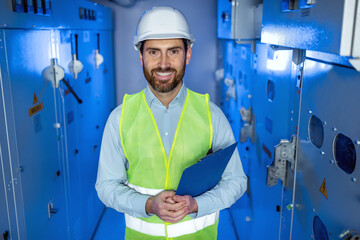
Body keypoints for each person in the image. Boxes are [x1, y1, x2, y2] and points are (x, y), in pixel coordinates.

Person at [95, 6, 247, 240]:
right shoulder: (120, 118)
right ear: (141, 56)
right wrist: (148, 205)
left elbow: (236, 181)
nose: (163, 63)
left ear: (187, 54)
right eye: (154, 52)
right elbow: (106, 187)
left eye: (173, 51)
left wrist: (196, 204)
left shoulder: (212, 115)